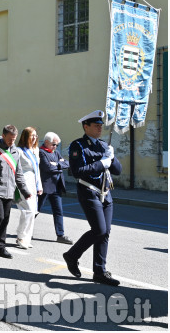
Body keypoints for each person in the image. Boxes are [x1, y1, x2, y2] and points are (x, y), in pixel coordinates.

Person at [63, 110, 122, 286]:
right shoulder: (78, 146)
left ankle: (99, 271)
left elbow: (117, 171)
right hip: (88, 191)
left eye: (100, 125)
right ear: (85, 126)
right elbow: (77, 171)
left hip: (105, 192)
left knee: (105, 233)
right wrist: (101, 163)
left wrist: (112, 157)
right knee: (99, 230)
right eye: (96, 126)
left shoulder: (104, 145)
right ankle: (72, 255)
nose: (99, 128)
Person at [0, 125, 31, 260]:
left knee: (5, 219)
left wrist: (25, 191)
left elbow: (19, 173)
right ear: (3, 136)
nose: (11, 142)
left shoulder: (15, 151)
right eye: (10, 139)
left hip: (9, 191)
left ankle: (0, 247)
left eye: (14, 140)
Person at [38, 132, 73, 244]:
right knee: (35, 210)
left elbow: (67, 164)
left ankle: (60, 235)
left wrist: (56, 164)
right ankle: (24, 231)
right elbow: (47, 167)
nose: (55, 147)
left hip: (56, 186)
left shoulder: (56, 153)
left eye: (57, 145)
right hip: (45, 187)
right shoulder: (41, 152)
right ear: (47, 142)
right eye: (53, 144)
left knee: (58, 211)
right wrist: (59, 165)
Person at [15, 127, 43, 249]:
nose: (34, 138)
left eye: (36, 135)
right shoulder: (18, 151)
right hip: (23, 184)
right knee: (28, 210)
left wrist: (39, 185)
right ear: (25, 136)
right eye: (31, 135)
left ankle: (27, 238)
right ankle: (21, 237)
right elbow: (15, 168)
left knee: (33, 212)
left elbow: (37, 169)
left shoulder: (35, 150)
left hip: (33, 183)